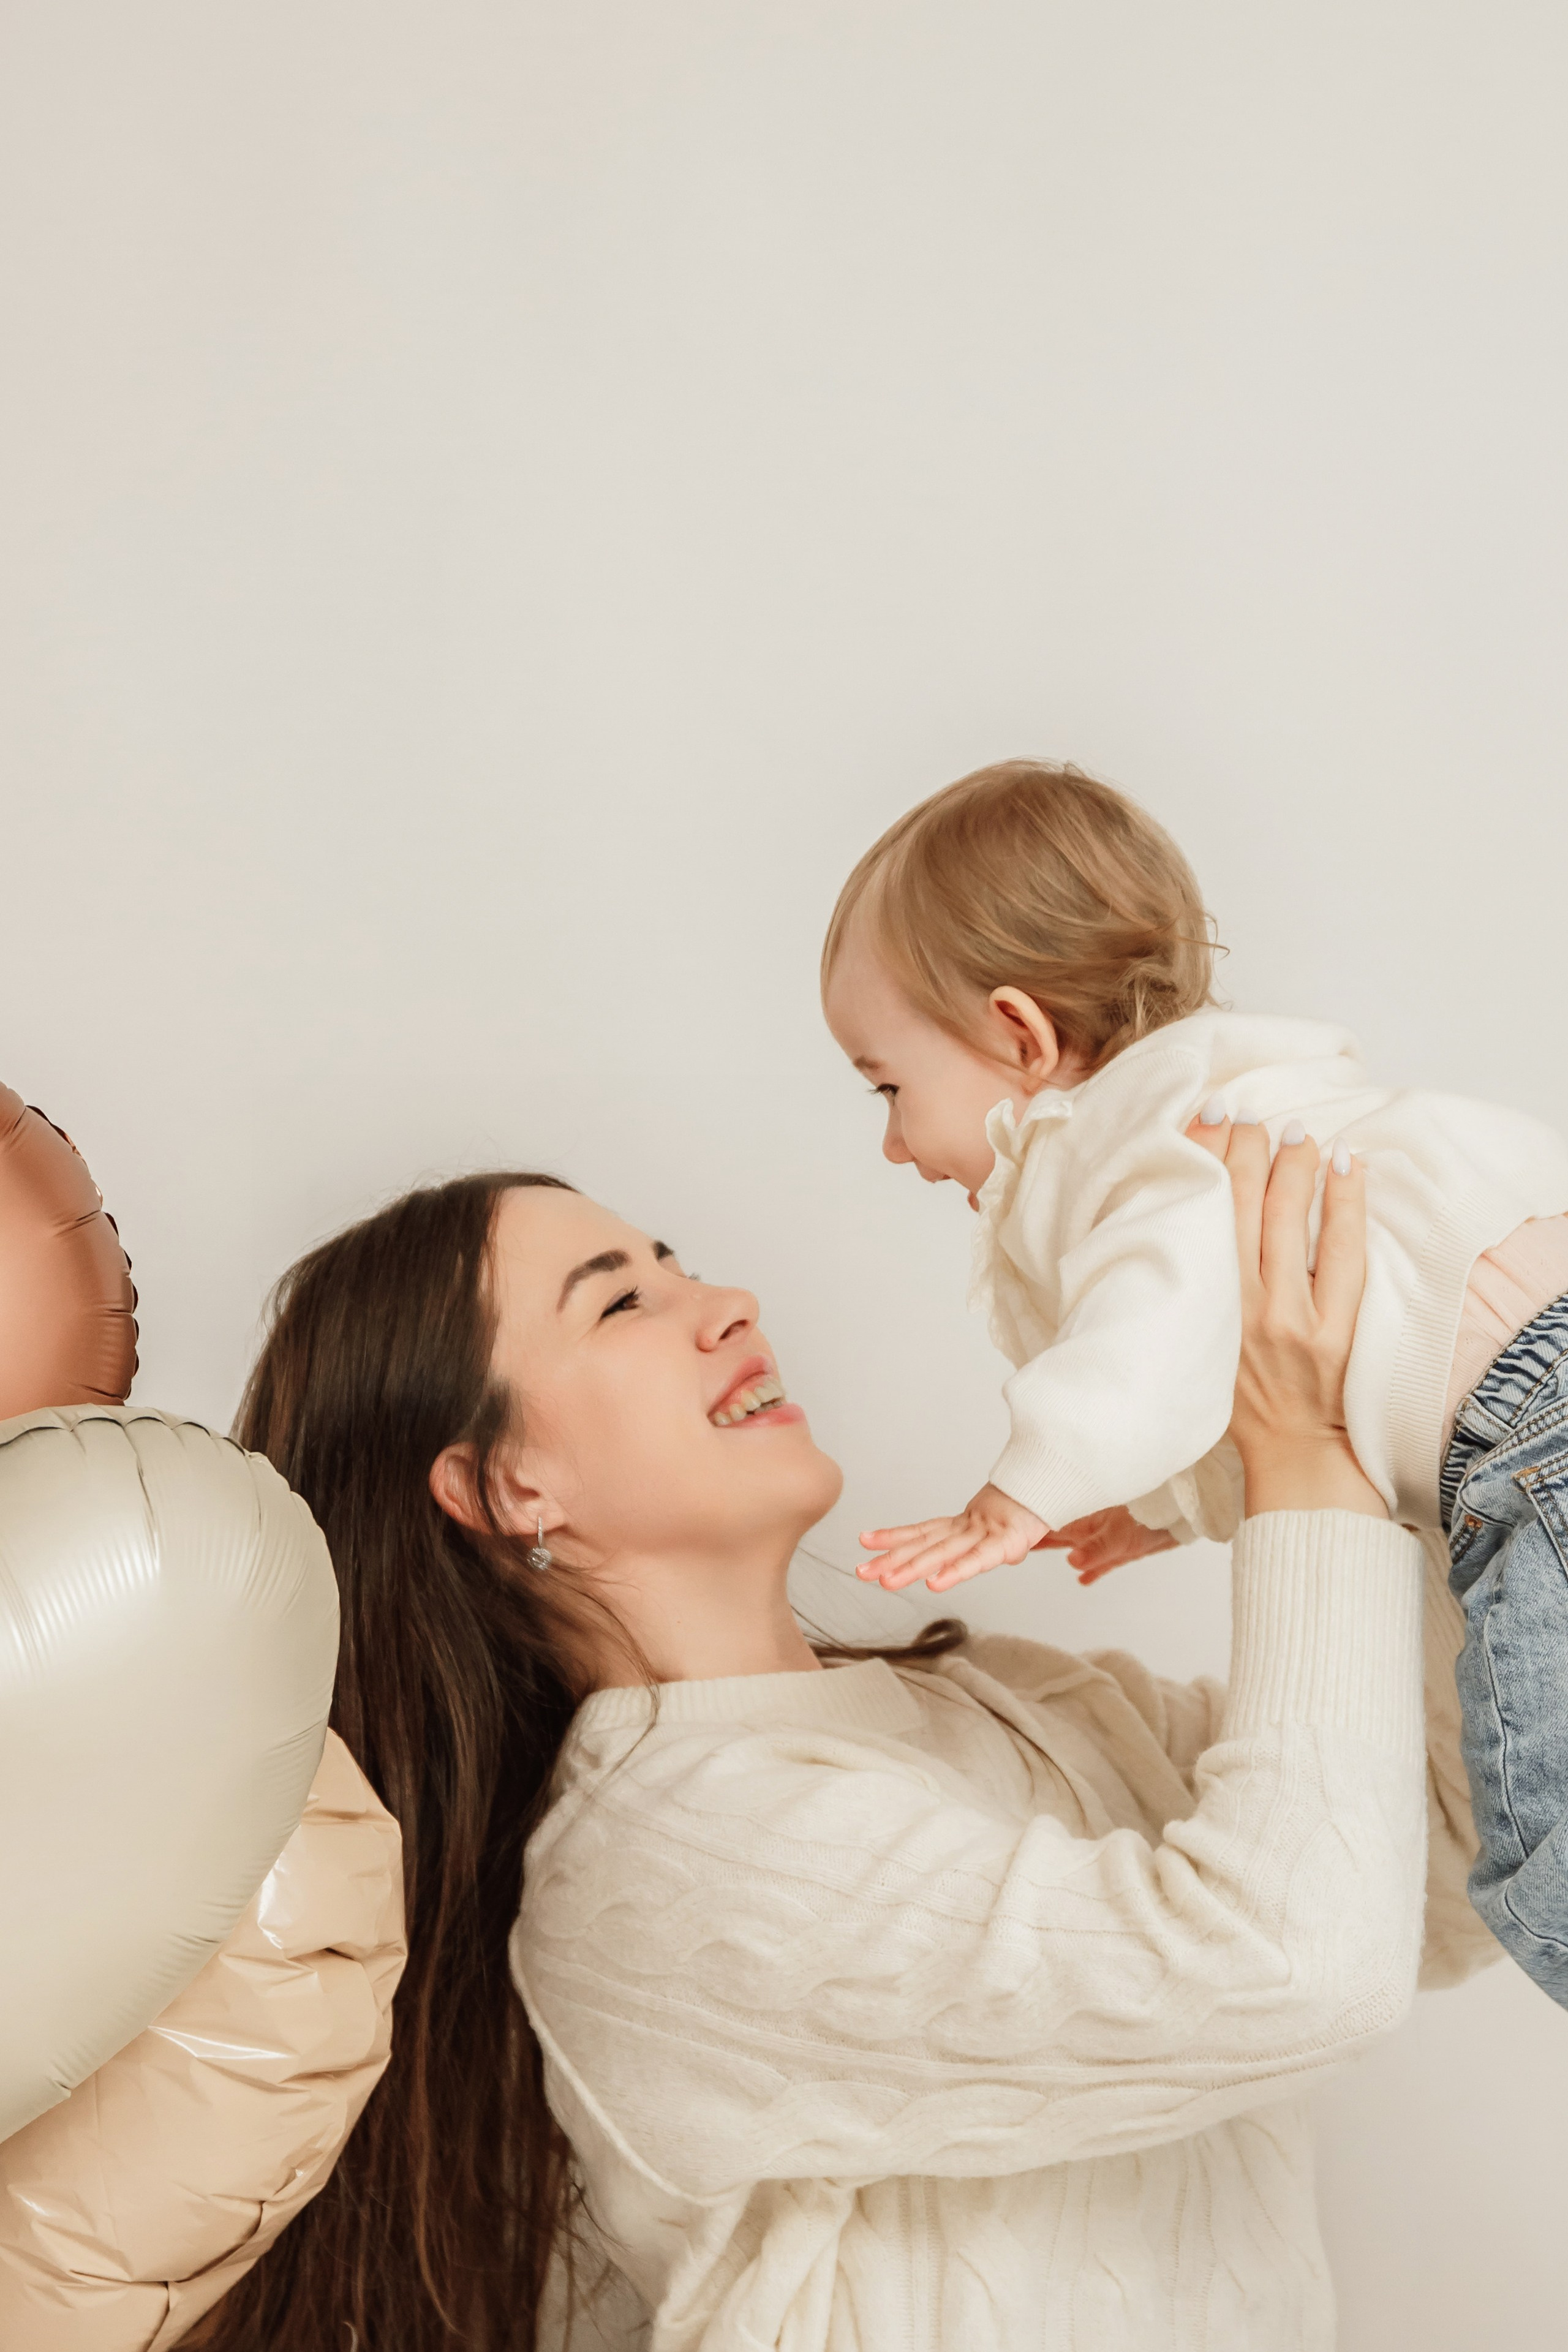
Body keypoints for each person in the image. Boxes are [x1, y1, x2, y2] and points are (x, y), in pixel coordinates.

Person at [188, 1118, 1490, 2352]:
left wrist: (1447, 1431)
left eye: (675, 1264)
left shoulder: (1008, 1703)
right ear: (509, 1485)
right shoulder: (668, 1859)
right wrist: (1306, 1457)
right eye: (621, 1301)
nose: (726, 1303)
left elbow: (1434, 1853)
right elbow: (1291, 1961)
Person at [821, 759, 1568, 2005]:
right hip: (1533, 1383)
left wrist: (1025, 1490)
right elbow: (1235, 1359)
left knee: (1542, 1876)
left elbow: (1148, 1320)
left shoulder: (1131, 1145)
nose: (893, 1143)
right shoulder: (1224, 1094)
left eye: (890, 1089)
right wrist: (1164, 1507)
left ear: (1017, 1034)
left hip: (1528, 1426)